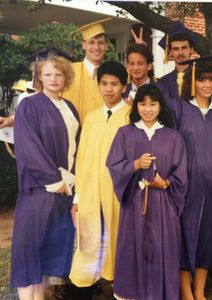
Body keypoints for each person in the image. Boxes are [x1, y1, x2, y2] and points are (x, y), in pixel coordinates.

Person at [159, 22, 212, 297]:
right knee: (185, 237)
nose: (207, 85)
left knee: (207, 239)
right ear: (192, 80)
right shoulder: (179, 109)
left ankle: (200, 291)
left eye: (211, 79)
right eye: (201, 79)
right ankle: (186, 291)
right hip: (186, 186)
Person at [106, 84, 188, 300]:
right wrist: (135, 165)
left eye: (153, 104)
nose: (148, 109)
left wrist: (166, 183)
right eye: (143, 104)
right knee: (134, 249)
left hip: (163, 205)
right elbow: (114, 165)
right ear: (136, 106)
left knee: (163, 250)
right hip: (134, 203)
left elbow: (181, 173)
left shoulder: (173, 137)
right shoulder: (125, 133)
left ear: (161, 106)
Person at [10, 53, 80, 300]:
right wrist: (55, 180)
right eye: (48, 74)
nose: (53, 78)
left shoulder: (69, 107)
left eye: (58, 74)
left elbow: (75, 145)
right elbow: (28, 147)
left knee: (46, 252)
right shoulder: (29, 104)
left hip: (64, 191)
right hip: (40, 190)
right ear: (39, 77)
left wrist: (71, 182)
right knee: (30, 249)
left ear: (66, 77)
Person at [69, 61, 131, 300]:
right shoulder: (92, 118)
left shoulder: (130, 117)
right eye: (104, 83)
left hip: (118, 195)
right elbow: (82, 159)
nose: (108, 89)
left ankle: (123, 291)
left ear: (123, 87)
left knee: (120, 245)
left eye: (114, 84)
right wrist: (78, 198)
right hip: (91, 196)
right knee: (88, 244)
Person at [63, 19, 109, 123]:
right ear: (84, 45)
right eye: (91, 42)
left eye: (100, 43)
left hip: (105, 135)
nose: (96, 47)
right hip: (73, 135)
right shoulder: (69, 71)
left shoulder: (112, 73)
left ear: (106, 46)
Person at [158, 21, 195, 99]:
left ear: (191, 49)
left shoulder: (201, 78)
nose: (180, 53)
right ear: (170, 52)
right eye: (175, 49)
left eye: (184, 48)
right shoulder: (164, 82)